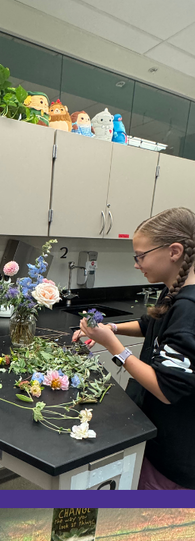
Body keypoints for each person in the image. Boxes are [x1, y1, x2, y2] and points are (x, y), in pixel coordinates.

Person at [72, 206, 195, 489]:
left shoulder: (189, 310)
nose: (137, 263)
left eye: (141, 256)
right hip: (152, 432)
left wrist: (113, 346)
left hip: (173, 459)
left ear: (174, 251)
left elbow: (166, 390)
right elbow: (148, 324)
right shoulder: (173, 288)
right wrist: (111, 329)